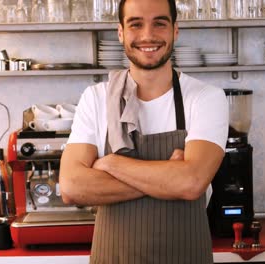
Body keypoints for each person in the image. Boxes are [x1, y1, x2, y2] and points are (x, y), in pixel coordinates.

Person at [59, 0, 228, 263]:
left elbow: (192, 183)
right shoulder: (96, 98)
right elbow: (71, 187)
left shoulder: (206, 98)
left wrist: (111, 163)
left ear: (175, 31)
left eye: (159, 23)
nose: (148, 35)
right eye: (136, 24)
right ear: (120, 32)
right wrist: (167, 178)